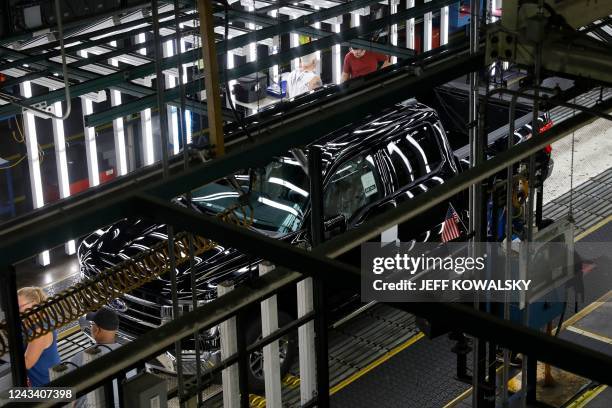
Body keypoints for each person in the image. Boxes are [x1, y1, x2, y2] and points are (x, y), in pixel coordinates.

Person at [72, 307, 120, 408]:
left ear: (97, 330)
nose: (90, 327)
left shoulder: (80, 358)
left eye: (92, 325)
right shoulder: (127, 351)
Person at [17, 287, 61, 387]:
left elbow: (27, 363)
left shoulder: (40, 331)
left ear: (35, 303)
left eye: (20, 306)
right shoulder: (31, 320)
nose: (17, 310)